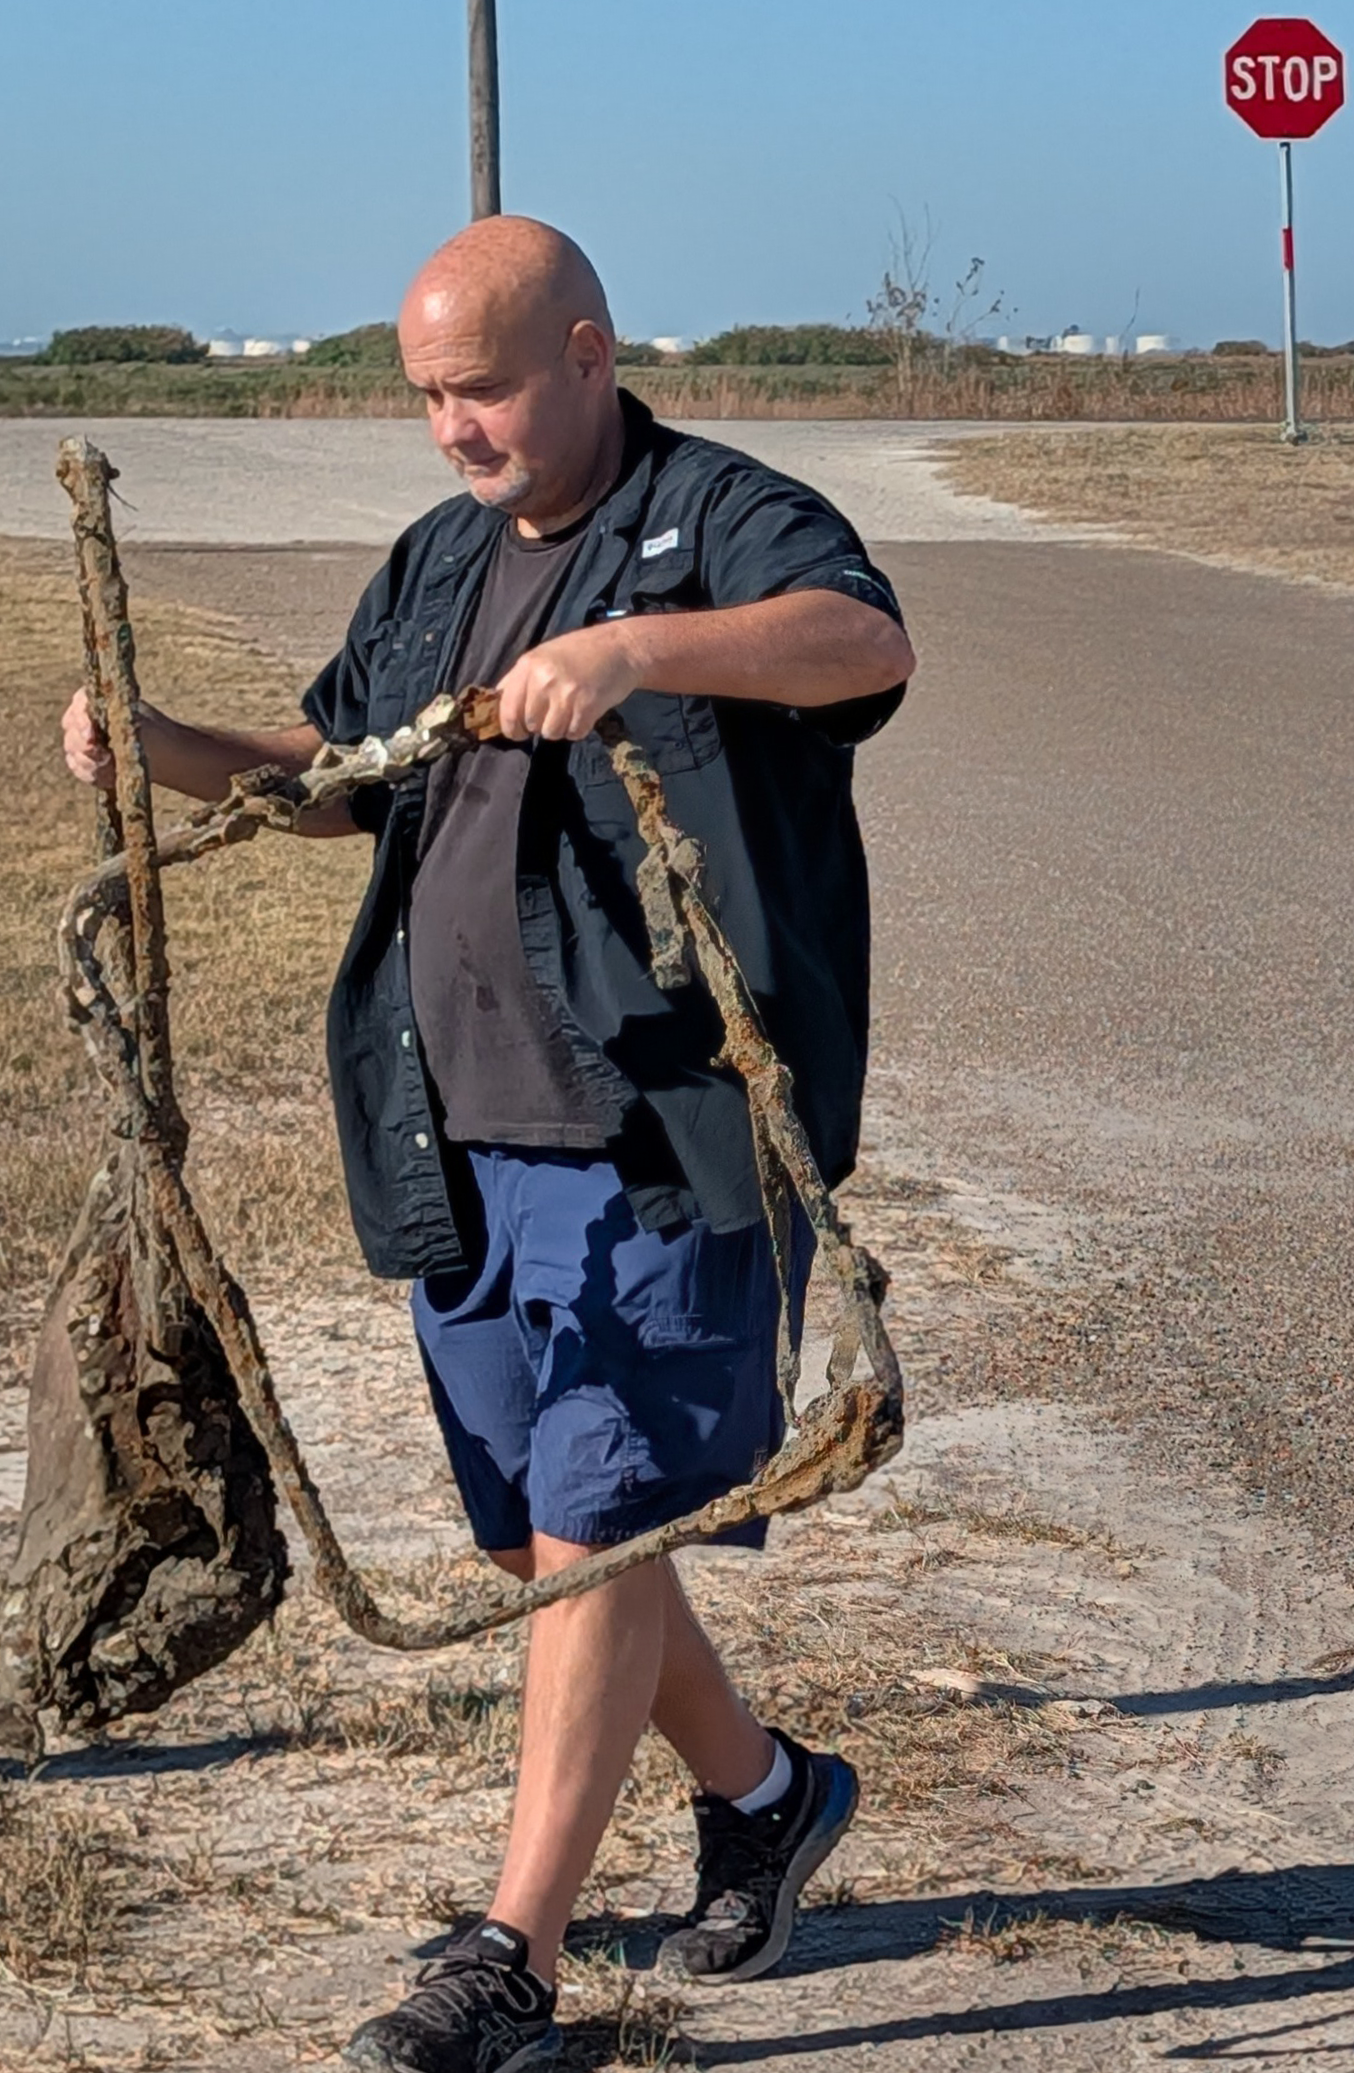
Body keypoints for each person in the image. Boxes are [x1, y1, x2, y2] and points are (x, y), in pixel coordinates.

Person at [58, 217, 914, 2073]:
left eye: (486, 388)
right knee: (554, 1544)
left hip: (660, 1126)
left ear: (589, 353)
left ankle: (510, 1959)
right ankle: (765, 1797)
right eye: (430, 397)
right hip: (452, 1129)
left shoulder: (721, 515)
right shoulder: (441, 558)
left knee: (599, 1512)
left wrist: (637, 650)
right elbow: (333, 775)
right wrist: (160, 741)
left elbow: (866, 640)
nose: (456, 428)